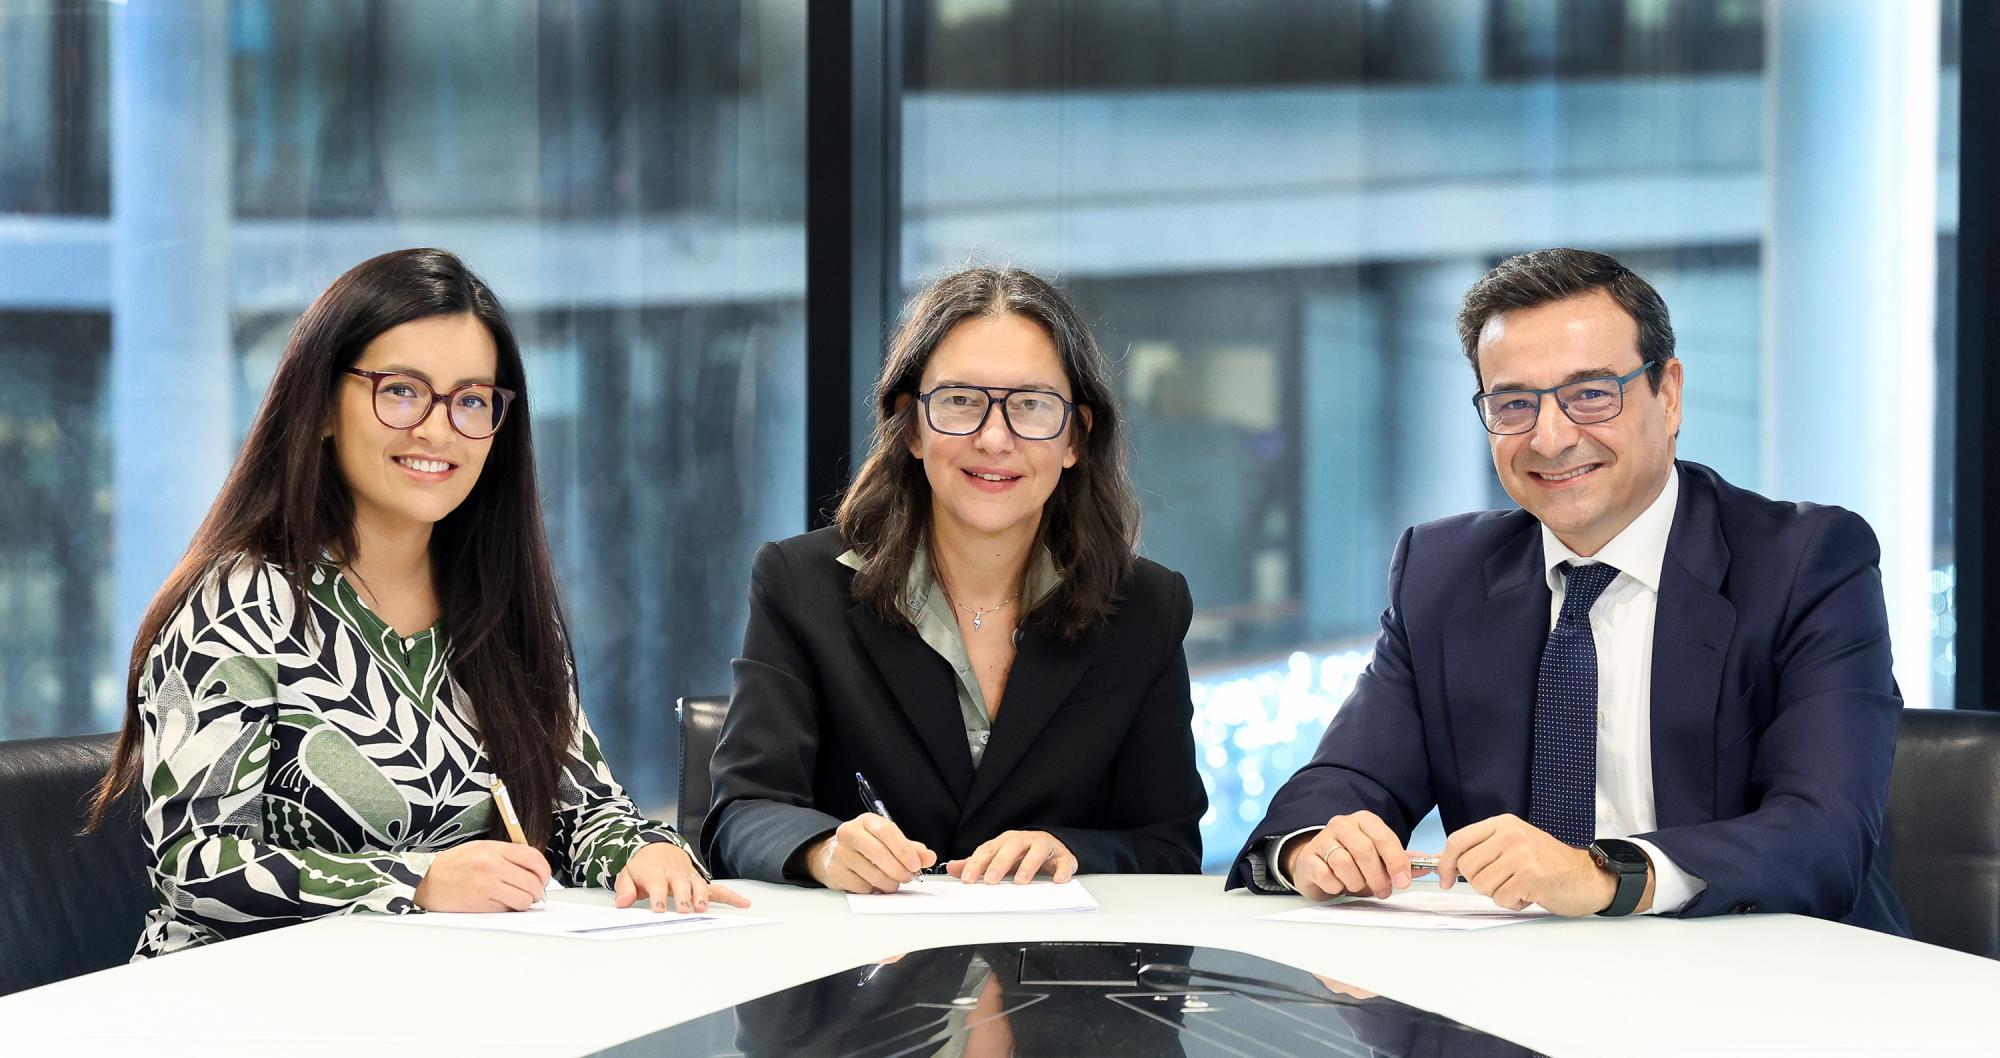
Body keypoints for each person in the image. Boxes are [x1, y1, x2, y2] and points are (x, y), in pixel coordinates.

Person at [88, 247, 743, 959]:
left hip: (439, 991)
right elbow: (194, 863)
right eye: (401, 390)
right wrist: (416, 880)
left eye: (471, 400)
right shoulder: (239, 606)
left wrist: (643, 851)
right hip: (233, 999)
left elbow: (583, 809)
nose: (437, 429)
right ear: (322, 408)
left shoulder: (497, 606)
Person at [1228, 248, 1908, 933]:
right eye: (1514, 404)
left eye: (1591, 395)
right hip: (1520, 983)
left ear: (1668, 395)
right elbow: (1346, 783)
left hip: (1772, 975)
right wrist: (1316, 846)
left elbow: (1823, 836)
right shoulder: (1441, 573)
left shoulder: (1805, 563)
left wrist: (1604, 875)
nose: (1550, 439)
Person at [703, 267, 1205, 892]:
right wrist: (823, 851)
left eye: (1031, 405)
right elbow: (744, 811)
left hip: (1054, 954)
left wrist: (1071, 851)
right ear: (911, 425)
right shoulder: (799, 583)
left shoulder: (1147, 606)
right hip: (863, 949)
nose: (994, 438)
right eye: (961, 401)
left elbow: (1169, 845)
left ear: (1076, 437)